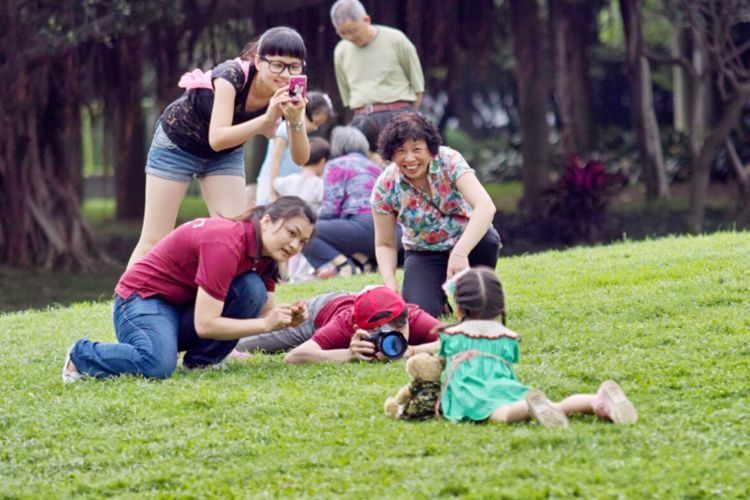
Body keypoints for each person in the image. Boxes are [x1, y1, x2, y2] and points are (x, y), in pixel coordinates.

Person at [62, 197, 316, 382]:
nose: (295, 246)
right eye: (291, 233)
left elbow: (262, 311)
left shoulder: (266, 255)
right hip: (141, 301)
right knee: (157, 365)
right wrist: (266, 325)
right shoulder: (226, 243)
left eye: (302, 241)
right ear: (267, 222)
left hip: (182, 307)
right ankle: (82, 355)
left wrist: (286, 319)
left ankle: (203, 362)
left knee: (253, 289)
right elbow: (206, 325)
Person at [127, 27, 311, 268]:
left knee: (234, 234)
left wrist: (296, 119)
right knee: (154, 239)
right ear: (258, 60)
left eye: (293, 66)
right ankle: (125, 301)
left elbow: (300, 158)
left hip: (224, 155)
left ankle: (228, 301)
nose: (285, 74)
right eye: (277, 64)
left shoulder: (290, 93)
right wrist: (265, 121)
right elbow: (217, 137)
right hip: (177, 144)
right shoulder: (231, 76)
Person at [437, 267, 638, 427]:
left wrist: (411, 351)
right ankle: (597, 400)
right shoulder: (508, 337)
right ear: (499, 305)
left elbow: (438, 355)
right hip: (506, 388)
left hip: (473, 394)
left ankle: (530, 408)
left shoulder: (452, 335)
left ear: (459, 306)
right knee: (556, 406)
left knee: (501, 414)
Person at [371, 112, 501, 317]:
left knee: (488, 240)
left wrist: (460, 252)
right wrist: (389, 281)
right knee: (420, 314)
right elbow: (384, 244)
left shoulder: (449, 160)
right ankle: (438, 299)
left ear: (430, 149)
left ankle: (475, 292)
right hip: (424, 250)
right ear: (390, 154)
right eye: (401, 151)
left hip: (467, 241)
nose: (410, 158)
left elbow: (485, 206)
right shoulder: (385, 186)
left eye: (417, 149)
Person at [235, 286, 441, 364]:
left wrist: (411, 351)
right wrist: (349, 355)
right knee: (238, 345)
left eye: (397, 329)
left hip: (355, 301)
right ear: (357, 329)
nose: (389, 337)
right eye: (378, 332)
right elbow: (294, 357)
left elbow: (460, 337)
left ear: (406, 318)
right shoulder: (345, 323)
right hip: (318, 314)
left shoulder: (412, 315)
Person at [303, 126, 400, 278]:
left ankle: (345, 265)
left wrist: (310, 220)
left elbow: (330, 209)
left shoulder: (336, 165)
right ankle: (364, 261)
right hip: (391, 230)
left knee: (307, 230)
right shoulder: (375, 167)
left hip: (361, 226)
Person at [330, 0, 425, 132]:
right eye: (342, 33)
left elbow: (418, 88)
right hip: (362, 119)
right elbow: (347, 96)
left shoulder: (396, 39)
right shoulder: (340, 51)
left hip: (399, 115)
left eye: (352, 31)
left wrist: (409, 119)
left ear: (366, 20)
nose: (348, 37)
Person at [255, 92, 334, 205]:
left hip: (288, 188)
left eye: (319, 125)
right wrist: (272, 192)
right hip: (274, 184)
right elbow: (275, 159)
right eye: (314, 122)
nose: (315, 128)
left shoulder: (302, 136)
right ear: (303, 112)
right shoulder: (286, 128)